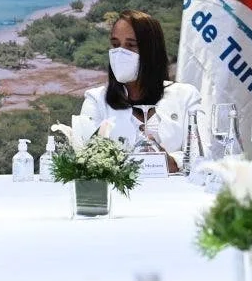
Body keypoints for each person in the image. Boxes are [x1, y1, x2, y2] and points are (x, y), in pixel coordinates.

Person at [79, 10, 203, 172]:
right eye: (115, 45)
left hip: (175, 188)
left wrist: (172, 161)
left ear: (151, 50)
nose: (120, 53)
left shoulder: (186, 96)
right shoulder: (96, 100)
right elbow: (85, 157)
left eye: (131, 45)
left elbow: (203, 154)